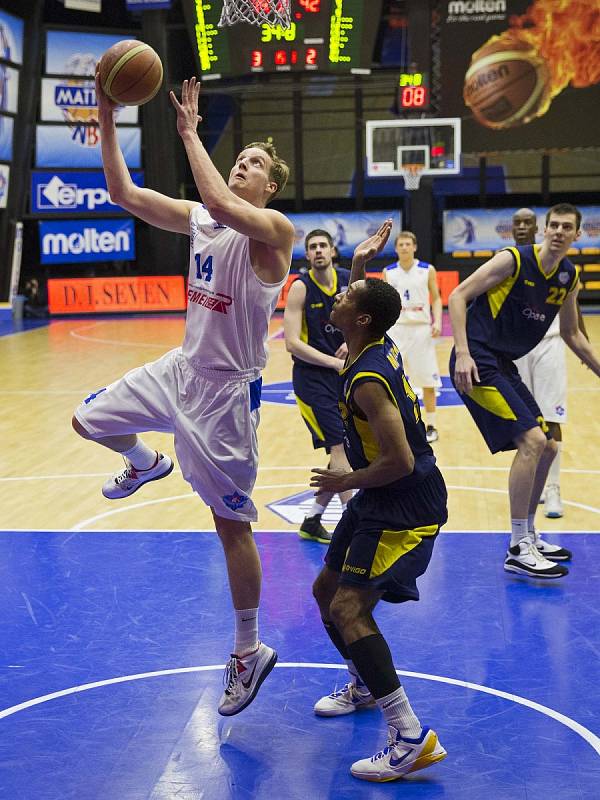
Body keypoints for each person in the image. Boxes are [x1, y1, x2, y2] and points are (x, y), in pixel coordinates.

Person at [72, 75, 295, 715]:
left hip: (226, 399)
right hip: (179, 371)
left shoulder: (272, 231)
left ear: (270, 187)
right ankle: (145, 461)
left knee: (231, 526)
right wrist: (108, 114)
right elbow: (123, 193)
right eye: (240, 157)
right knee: (86, 420)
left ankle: (248, 651)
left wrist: (191, 133)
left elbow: (224, 206)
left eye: (253, 163)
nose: (242, 164)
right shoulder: (204, 216)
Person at [311, 219, 448, 782]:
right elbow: (368, 304)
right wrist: (360, 263)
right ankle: (367, 683)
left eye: (347, 295)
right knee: (325, 591)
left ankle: (409, 734)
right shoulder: (373, 337)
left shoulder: (368, 375)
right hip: (381, 496)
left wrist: (343, 482)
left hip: (405, 502)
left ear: (359, 319)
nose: (339, 296)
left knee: (348, 609)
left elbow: (402, 461)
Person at [448, 203, 600, 579]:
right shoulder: (513, 259)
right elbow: (458, 296)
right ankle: (517, 546)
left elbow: (572, 333)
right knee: (532, 441)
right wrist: (464, 353)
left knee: (548, 443)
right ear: (544, 229)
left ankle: (529, 535)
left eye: (567, 227)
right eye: (555, 225)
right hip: (477, 360)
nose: (560, 231)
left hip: (502, 364)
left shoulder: (568, 276)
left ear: (578, 236)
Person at [512, 208, 588, 518]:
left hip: (550, 344)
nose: (521, 227)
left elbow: (572, 305)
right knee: (525, 426)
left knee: (551, 419)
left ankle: (553, 488)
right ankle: (532, 486)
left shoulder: (561, 266)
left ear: (537, 228)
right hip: (515, 349)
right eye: (517, 222)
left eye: (527, 222)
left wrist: (584, 345)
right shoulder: (509, 260)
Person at [283, 229, 353, 543]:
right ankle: (354, 524)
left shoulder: (350, 281)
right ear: (307, 255)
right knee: (339, 448)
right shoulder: (300, 288)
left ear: (333, 250)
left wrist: (352, 346)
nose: (318, 251)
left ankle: (312, 520)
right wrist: (334, 361)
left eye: (323, 245)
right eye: (312, 247)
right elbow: (291, 343)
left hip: (342, 377)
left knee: (347, 449)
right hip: (312, 380)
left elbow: (370, 320)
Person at [383, 231, 443, 443]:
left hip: (421, 330)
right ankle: (399, 426)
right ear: (397, 248)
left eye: (408, 244)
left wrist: (437, 321)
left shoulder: (427, 270)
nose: (405, 247)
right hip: (397, 329)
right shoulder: (389, 272)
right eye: (401, 244)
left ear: (414, 247)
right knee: (393, 379)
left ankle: (431, 424)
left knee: (427, 379)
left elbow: (436, 299)